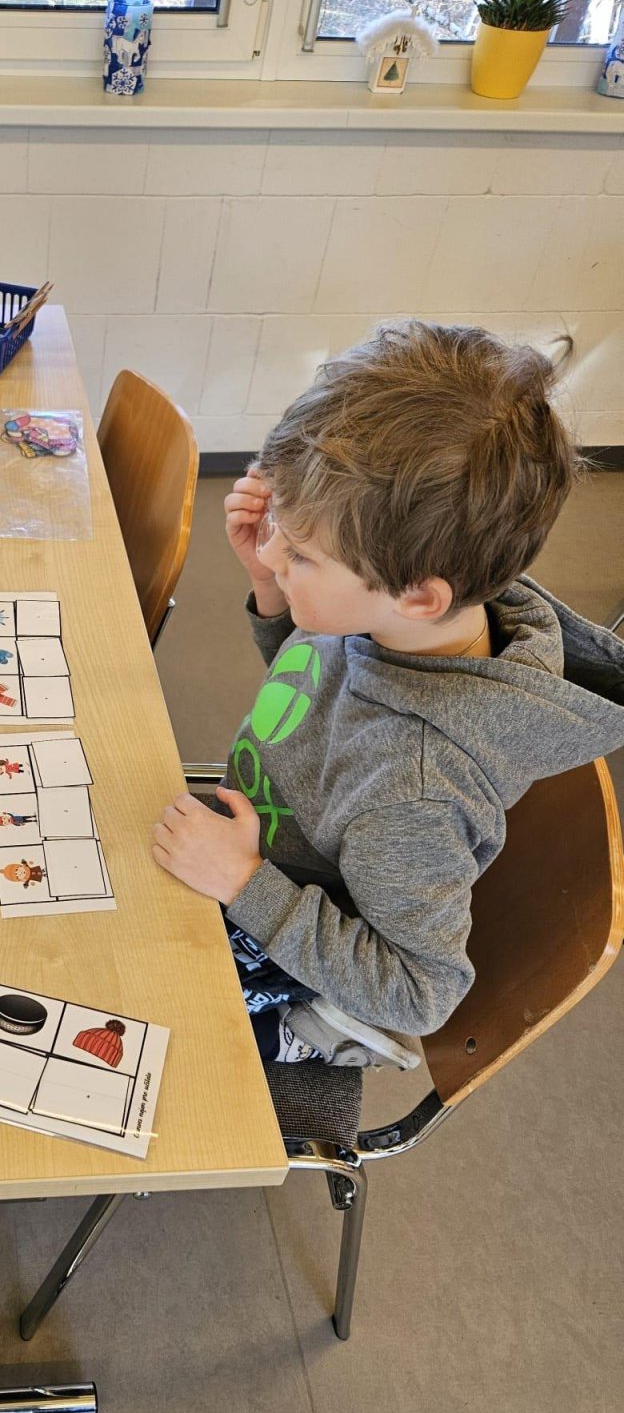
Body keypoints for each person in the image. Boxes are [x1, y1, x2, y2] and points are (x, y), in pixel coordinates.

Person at [151, 320, 624, 1068]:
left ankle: (308, 1034)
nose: (269, 546)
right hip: (251, 846)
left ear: (418, 596)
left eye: (299, 552)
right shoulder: (411, 617)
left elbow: (419, 991)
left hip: (281, 930)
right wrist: (275, 588)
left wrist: (243, 882)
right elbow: (311, 699)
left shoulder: (414, 792)